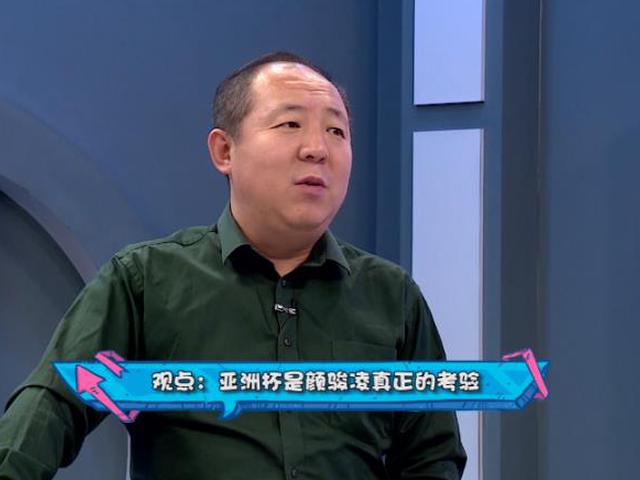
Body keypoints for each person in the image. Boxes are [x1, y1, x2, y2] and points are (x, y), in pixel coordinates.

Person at [0, 52, 466, 479]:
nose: (317, 149)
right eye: (290, 124)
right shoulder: (145, 281)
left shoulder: (392, 296)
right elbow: (51, 406)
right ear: (225, 151)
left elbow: (432, 457)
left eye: (336, 131)